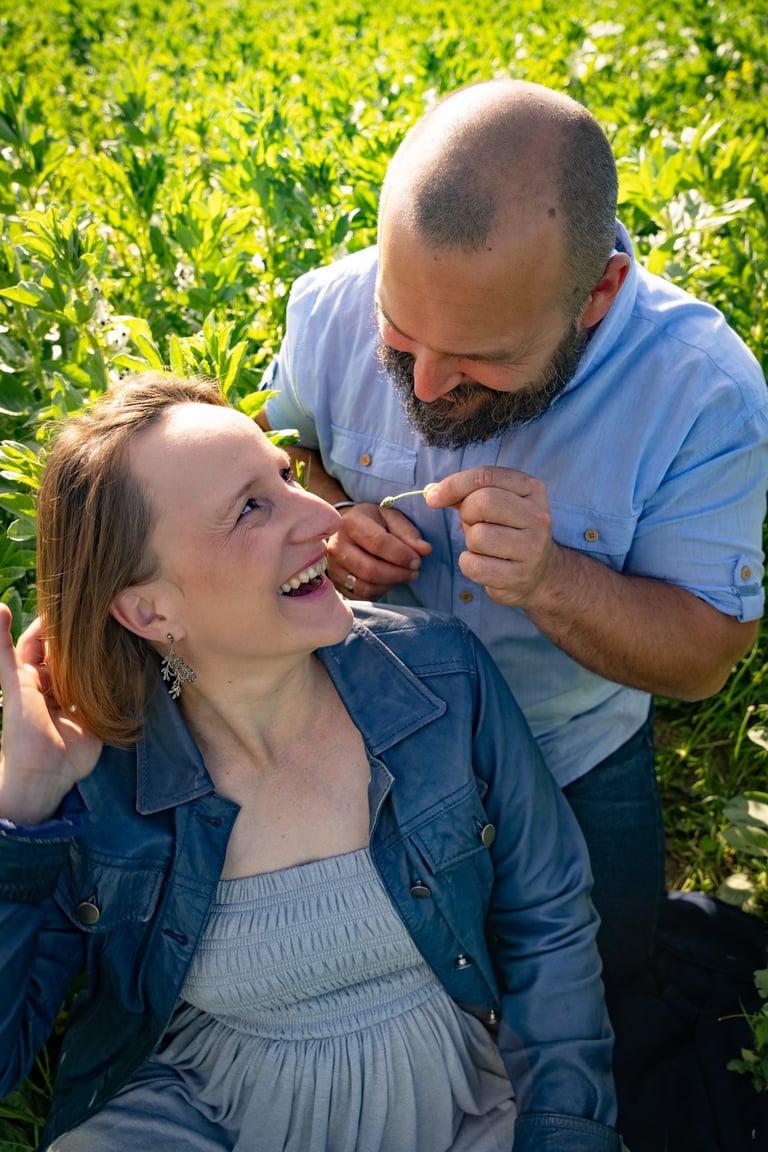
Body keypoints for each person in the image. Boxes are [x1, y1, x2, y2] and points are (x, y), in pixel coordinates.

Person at [0, 371, 623, 1152]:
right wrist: (23, 804)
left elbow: (549, 921)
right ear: (150, 610)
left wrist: (562, 1130)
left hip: (466, 1102)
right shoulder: (100, 775)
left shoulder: (442, 674)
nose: (323, 517)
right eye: (250, 509)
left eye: (285, 478)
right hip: (203, 1110)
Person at [257, 78, 768, 994]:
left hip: (568, 750)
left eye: (483, 357)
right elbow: (282, 451)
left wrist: (553, 581)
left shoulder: (701, 392)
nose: (426, 384)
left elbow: (703, 660)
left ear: (598, 293)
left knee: (605, 980)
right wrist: (327, 520)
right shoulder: (327, 307)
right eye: (399, 332)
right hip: (350, 730)